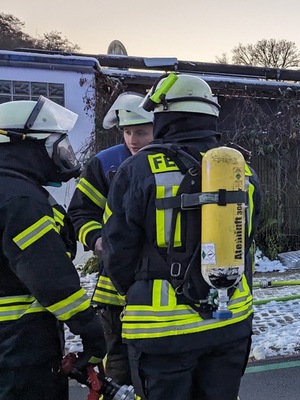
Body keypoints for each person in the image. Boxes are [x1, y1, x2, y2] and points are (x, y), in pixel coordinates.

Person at [102, 73, 262, 400]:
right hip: (230, 322)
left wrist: (137, 287)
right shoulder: (242, 170)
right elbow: (247, 237)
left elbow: (117, 250)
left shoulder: (138, 169)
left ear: (163, 117)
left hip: (162, 332)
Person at [0, 97, 106, 399]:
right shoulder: (20, 200)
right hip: (18, 347)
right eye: (52, 143)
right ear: (25, 145)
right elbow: (49, 275)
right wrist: (91, 330)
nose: (61, 151)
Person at [68, 92, 154, 386]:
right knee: (118, 368)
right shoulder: (106, 164)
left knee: (157, 370)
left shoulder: (172, 163)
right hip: (113, 292)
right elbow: (80, 212)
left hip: (158, 289)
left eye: (141, 132)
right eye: (127, 132)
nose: (132, 140)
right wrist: (96, 240)